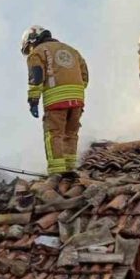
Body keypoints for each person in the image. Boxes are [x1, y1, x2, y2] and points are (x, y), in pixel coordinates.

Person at [21, 25, 88, 175]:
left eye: (28, 48)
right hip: (77, 100)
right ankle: (70, 169)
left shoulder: (37, 53)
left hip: (55, 102)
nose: (29, 52)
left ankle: (56, 172)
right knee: (71, 134)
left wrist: (33, 100)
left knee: (53, 135)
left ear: (32, 40)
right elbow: (85, 76)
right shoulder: (72, 50)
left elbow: (36, 78)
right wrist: (74, 92)